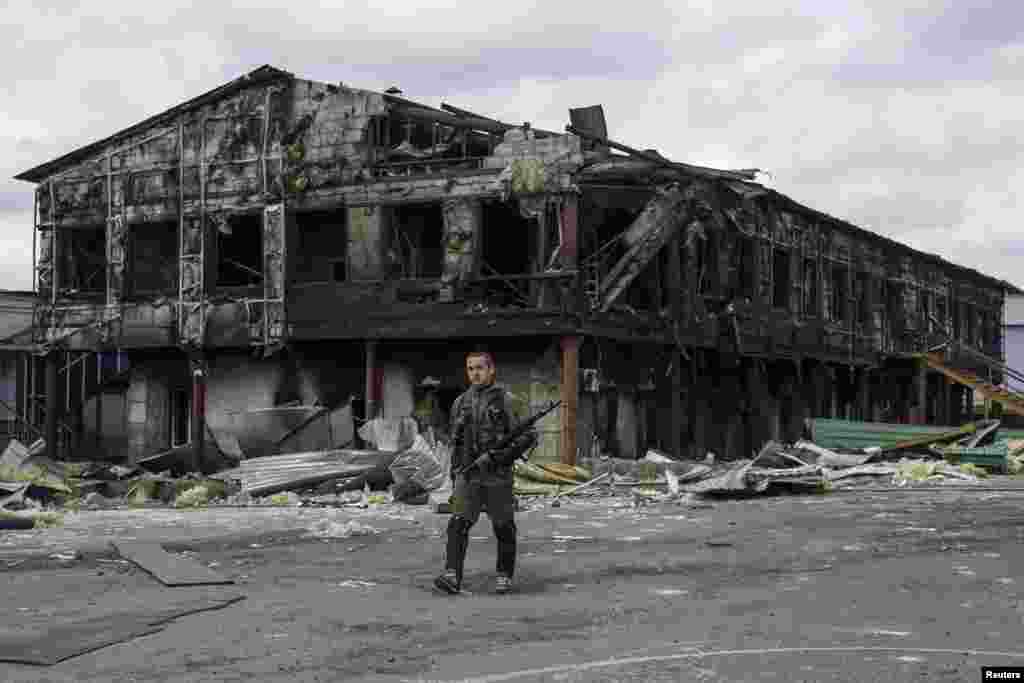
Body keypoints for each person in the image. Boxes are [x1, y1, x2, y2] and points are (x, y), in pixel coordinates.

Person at [434, 350, 538, 595]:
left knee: (503, 526)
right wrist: (454, 475)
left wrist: (499, 458)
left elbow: (528, 436)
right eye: (470, 368)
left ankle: (504, 574)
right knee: (458, 523)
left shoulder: (508, 401)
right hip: (467, 474)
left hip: (497, 475)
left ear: (492, 370)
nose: (475, 373)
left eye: (480, 368)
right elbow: (455, 442)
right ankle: (452, 575)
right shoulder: (460, 403)